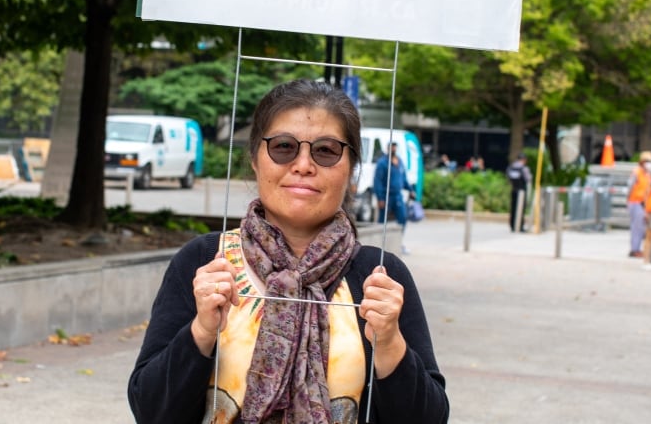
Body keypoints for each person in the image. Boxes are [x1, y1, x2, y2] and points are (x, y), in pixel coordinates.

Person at [127, 79, 449, 424]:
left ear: (351, 168)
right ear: (255, 158)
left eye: (326, 150)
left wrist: (389, 343)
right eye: (284, 147)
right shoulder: (207, 262)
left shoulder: (379, 276)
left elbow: (428, 417)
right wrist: (201, 332)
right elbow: (150, 411)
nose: (303, 164)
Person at [374, 141, 414, 253]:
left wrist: (411, 190)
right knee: (383, 221)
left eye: (395, 147)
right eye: (392, 148)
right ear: (388, 149)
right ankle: (379, 245)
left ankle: (399, 242)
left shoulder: (400, 162)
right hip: (386, 196)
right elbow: (377, 181)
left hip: (397, 196)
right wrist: (380, 198)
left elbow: (404, 179)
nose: (394, 149)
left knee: (402, 218)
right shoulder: (382, 163)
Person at [626, 150, 651, 258]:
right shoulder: (637, 172)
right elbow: (630, 187)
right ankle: (635, 249)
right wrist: (628, 201)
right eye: (647, 161)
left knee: (642, 227)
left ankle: (638, 248)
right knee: (636, 227)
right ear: (642, 162)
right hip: (635, 201)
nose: (649, 163)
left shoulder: (648, 174)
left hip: (644, 203)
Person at [505, 153, 531, 232]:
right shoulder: (524, 168)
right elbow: (528, 179)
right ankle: (520, 226)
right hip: (522, 191)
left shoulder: (511, 167)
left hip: (514, 190)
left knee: (513, 208)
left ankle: (513, 225)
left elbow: (508, 178)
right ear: (524, 160)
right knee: (521, 209)